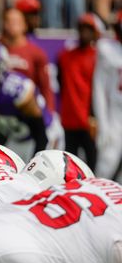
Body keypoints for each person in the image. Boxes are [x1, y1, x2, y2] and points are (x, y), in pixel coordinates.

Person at [0, 40, 61, 159]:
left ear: (1, 67)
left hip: (45, 133)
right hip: (16, 137)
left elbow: (40, 131)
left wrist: (37, 159)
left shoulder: (16, 89)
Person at [59, 13, 102, 170]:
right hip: (70, 120)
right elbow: (60, 83)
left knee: (93, 165)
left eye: (88, 29)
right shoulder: (65, 56)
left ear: (95, 33)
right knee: (71, 167)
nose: (84, 33)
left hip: (89, 121)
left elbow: (99, 91)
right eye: (82, 28)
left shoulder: (99, 57)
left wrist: (95, 115)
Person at [0, 7, 54, 112]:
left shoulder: (36, 53)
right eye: (9, 21)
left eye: (16, 21)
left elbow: (45, 86)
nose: (12, 25)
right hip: (3, 111)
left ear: (24, 25)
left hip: (27, 109)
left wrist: (49, 112)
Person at [92, 12, 122, 181]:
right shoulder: (108, 50)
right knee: (108, 160)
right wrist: (102, 123)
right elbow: (99, 88)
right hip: (115, 113)